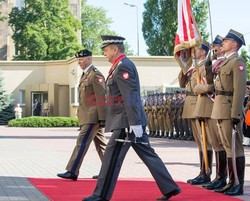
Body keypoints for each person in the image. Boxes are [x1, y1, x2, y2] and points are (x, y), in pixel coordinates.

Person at [83, 35, 181, 201]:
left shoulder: (123, 66)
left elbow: (130, 96)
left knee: (111, 157)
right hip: (129, 121)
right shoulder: (119, 66)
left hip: (126, 122)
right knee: (147, 154)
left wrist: (135, 123)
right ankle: (170, 187)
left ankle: (101, 195)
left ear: (115, 49)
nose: (105, 54)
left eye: (106, 50)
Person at [57, 49, 107, 181]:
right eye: (78, 60)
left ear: (89, 59)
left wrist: (102, 118)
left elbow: (101, 97)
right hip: (88, 116)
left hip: (93, 117)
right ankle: (108, 171)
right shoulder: (86, 75)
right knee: (102, 146)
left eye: (81, 59)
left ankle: (72, 171)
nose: (79, 62)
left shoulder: (95, 75)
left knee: (81, 143)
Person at [209, 29, 246, 196]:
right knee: (226, 147)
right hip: (220, 109)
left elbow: (239, 90)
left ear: (234, 44)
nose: (222, 43)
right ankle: (231, 181)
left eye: (226, 40)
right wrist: (209, 64)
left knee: (235, 148)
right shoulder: (223, 62)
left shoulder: (237, 62)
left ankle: (238, 183)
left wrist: (236, 114)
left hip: (230, 109)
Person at [193, 36, 227, 191]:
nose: (215, 49)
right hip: (207, 106)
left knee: (220, 143)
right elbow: (197, 86)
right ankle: (212, 175)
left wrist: (204, 88)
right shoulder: (211, 64)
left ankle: (222, 176)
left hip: (215, 106)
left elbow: (210, 86)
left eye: (217, 46)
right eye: (213, 47)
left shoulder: (225, 63)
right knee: (211, 142)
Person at [178, 41, 213, 185]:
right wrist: (183, 67)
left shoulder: (206, 66)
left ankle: (207, 172)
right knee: (199, 142)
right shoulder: (193, 67)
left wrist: (199, 88)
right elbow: (182, 83)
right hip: (191, 105)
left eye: (196, 50)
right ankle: (202, 171)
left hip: (200, 104)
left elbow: (209, 85)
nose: (193, 52)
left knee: (205, 141)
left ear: (203, 52)